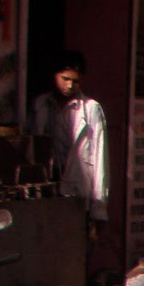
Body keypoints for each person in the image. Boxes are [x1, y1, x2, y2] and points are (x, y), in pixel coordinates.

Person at [30, 51, 109, 224]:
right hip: (47, 190)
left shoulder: (91, 109)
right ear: (55, 75)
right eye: (65, 78)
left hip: (76, 192)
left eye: (75, 81)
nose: (70, 85)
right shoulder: (41, 105)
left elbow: (99, 160)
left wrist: (99, 209)